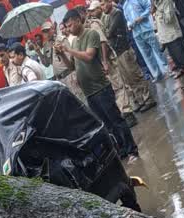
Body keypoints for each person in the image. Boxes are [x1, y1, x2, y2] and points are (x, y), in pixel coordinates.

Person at [55, 8, 139, 162]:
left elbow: (88, 56)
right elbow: (72, 67)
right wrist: (62, 54)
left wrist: (68, 49)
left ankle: (132, 149)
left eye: (70, 25)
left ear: (78, 20)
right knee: (106, 125)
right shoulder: (75, 41)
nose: (68, 29)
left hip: (100, 87)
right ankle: (122, 150)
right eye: (66, 27)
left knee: (116, 120)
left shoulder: (90, 34)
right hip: (89, 92)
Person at [100, 0, 156, 111]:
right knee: (129, 79)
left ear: (109, 2)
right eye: (101, 5)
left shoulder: (117, 13)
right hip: (118, 52)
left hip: (125, 50)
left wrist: (107, 34)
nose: (103, 7)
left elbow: (109, 33)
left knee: (135, 75)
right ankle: (141, 100)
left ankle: (148, 98)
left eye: (104, 4)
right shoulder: (108, 17)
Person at [87, 0, 135, 126]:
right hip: (101, 63)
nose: (90, 13)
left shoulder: (95, 24)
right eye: (89, 11)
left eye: (92, 10)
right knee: (117, 86)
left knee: (119, 85)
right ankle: (127, 109)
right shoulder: (88, 28)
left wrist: (104, 61)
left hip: (110, 58)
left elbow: (103, 42)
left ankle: (128, 113)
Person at [152, 0, 184, 89]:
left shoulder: (166, 2)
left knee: (181, 57)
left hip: (173, 35)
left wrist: (158, 11)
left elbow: (169, 19)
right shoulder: (156, 4)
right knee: (176, 59)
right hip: (166, 37)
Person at [123, 0, 169, 81]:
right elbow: (127, 19)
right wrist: (129, 24)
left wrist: (142, 17)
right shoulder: (125, 6)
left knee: (157, 49)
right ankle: (156, 74)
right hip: (136, 33)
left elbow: (149, 8)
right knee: (146, 55)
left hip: (146, 28)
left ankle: (166, 69)